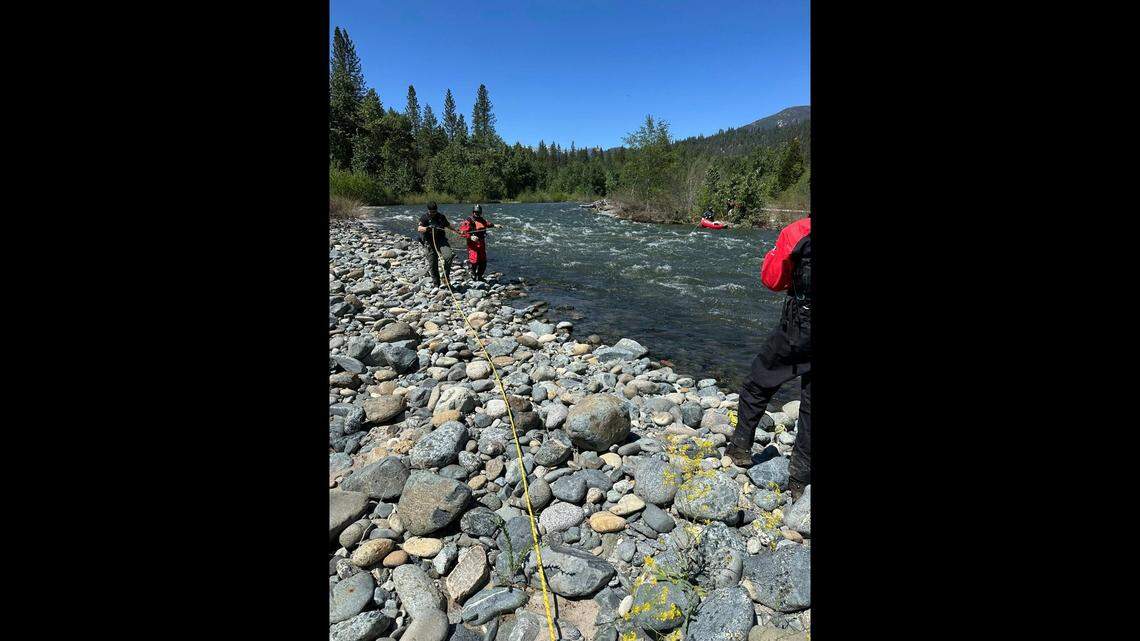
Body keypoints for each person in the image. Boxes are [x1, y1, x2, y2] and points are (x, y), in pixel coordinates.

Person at [726, 213, 811, 500]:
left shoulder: (798, 231)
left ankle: (740, 447)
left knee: (759, 380)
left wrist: (774, 254)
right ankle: (799, 480)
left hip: (802, 329)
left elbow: (772, 279)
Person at [416, 202, 457, 288]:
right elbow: (419, 228)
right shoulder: (424, 217)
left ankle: (445, 277)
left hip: (441, 240)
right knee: (433, 264)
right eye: (431, 212)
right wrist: (427, 228)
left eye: (434, 211)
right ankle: (436, 284)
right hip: (429, 242)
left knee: (449, 256)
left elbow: (448, 225)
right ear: (428, 210)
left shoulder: (441, 217)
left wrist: (457, 231)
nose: (433, 213)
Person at [459, 204, 495, 281]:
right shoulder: (468, 221)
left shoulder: (482, 220)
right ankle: (473, 274)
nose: (476, 214)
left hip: (481, 243)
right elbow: (461, 232)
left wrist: (495, 225)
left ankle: (480, 276)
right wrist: (470, 237)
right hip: (472, 245)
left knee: (483, 262)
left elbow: (487, 224)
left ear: (480, 213)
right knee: (474, 261)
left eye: (478, 212)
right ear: (473, 212)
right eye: (475, 212)